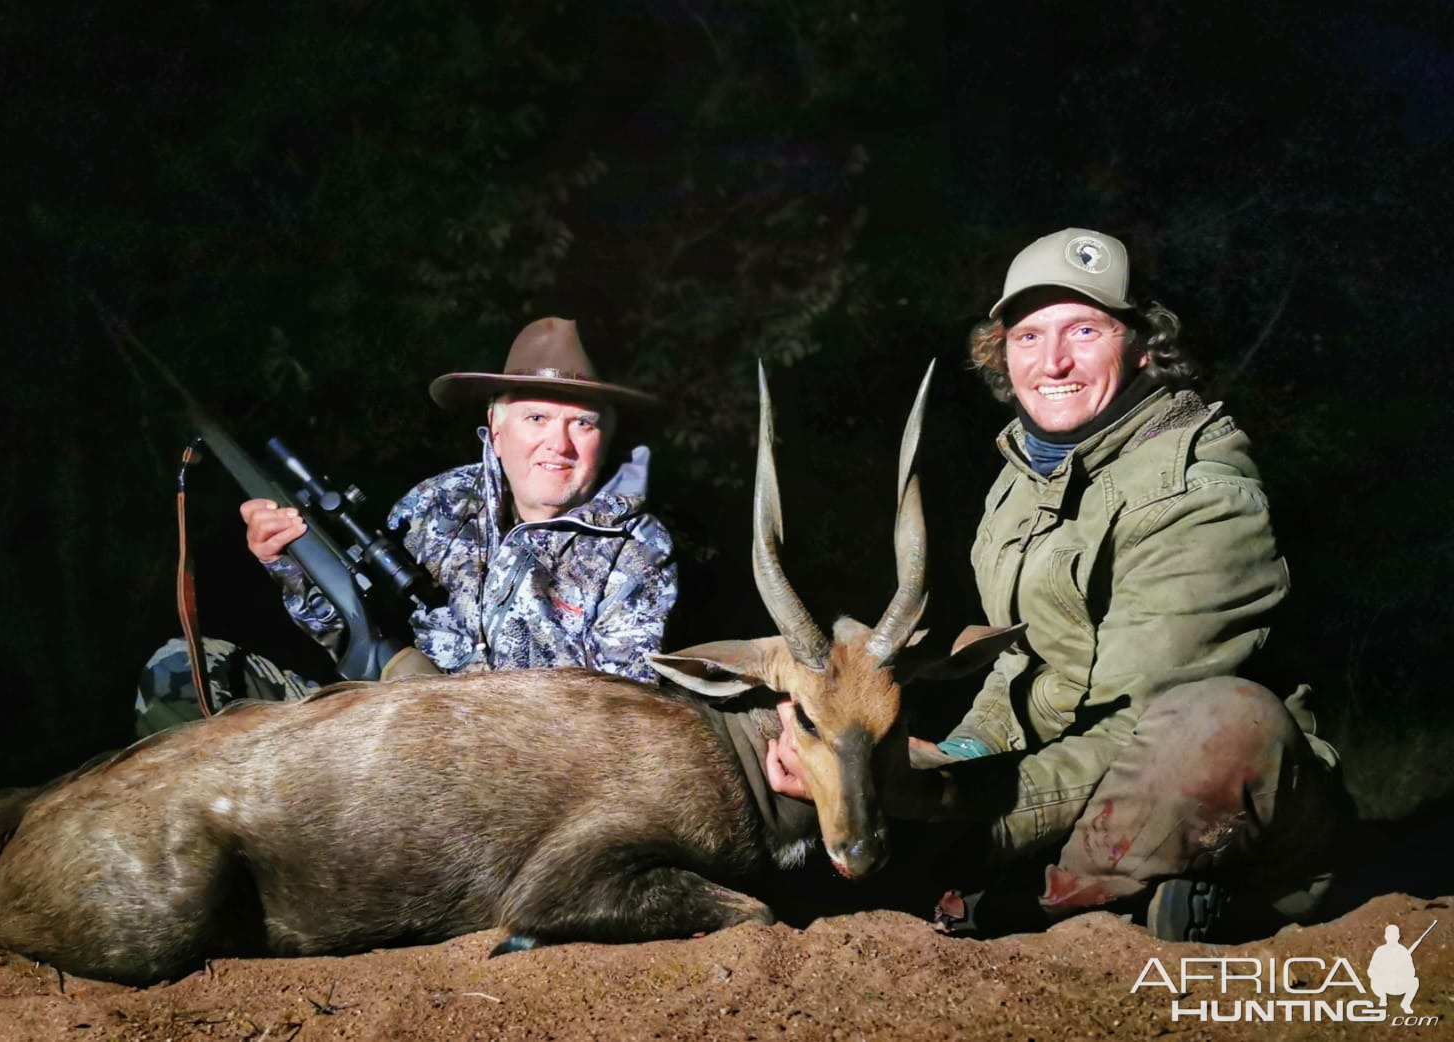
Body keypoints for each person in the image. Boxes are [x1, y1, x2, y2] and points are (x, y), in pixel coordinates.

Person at [766, 228, 1340, 941]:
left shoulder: (1203, 496)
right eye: (1028, 336)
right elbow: (1021, 665)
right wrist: (958, 756)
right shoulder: (1027, 472)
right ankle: (1063, 884)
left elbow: (1137, 720)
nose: (1053, 361)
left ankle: (1073, 895)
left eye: (1084, 330)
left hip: (1177, 767)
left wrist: (953, 803)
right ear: (1002, 354)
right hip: (1063, 770)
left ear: (1142, 343)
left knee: (1222, 724)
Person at [135, 317, 678, 736]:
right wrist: (288, 562)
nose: (557, 445)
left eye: (581, 423)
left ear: (606, 437)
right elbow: (353, 628)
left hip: (515, 786)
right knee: (181, 669)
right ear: (495, 423)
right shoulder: (437, 502)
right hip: (377, 728)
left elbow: (619, 723)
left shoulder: (640, 551)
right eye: (536, 418)